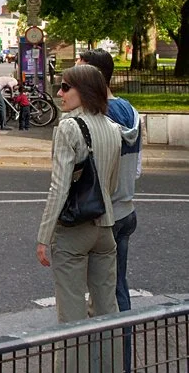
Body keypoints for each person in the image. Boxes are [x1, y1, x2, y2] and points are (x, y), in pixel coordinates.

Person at [36, 64, 122, 326]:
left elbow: (59, 187)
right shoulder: (112, 127)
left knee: (71, 317)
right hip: (104, 229)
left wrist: (43, 236)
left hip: (74, 231)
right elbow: (112, 184)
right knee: (108, 312)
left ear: (82, 91)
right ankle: (111, 365)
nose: (59, 93)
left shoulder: (69, 127)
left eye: (65, 87)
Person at [77, 49, 141, 327]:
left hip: (102, 216)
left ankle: (105, 359)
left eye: (78, 72)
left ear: (93, 76)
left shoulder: (95, 119)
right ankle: (121, 361)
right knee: (118, 288)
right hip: (127, 209)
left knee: (100, 299)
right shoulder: (132, 112)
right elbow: (137, 168)